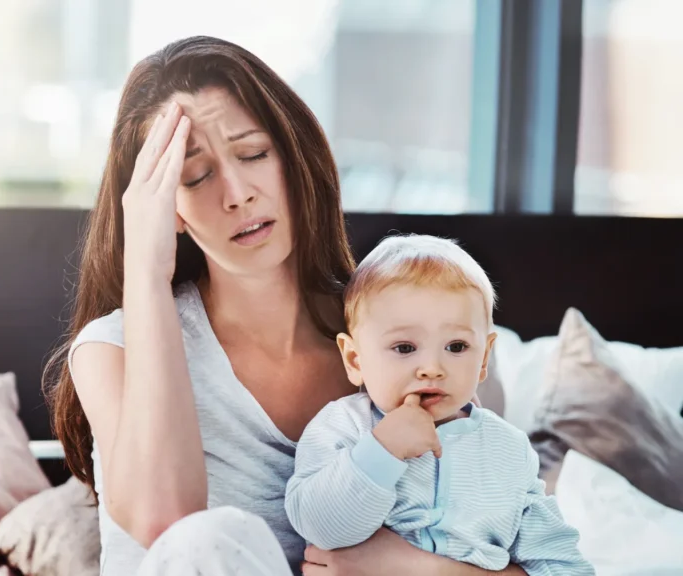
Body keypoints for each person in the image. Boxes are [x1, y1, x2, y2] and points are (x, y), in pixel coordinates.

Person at [44, 35, 533, 575]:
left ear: (293, 155)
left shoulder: (427, 347)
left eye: (253, 153)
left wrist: (410, 567)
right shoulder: (111, 349)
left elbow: (527, 551)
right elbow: (168, 525)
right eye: (196, 176)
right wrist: (146, 270)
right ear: (168, 209)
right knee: (207, 539)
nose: (237, 193)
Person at [285, 234, 594, 575]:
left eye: (457, 346)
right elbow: (320, 529)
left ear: (484, 358)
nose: (432, 367)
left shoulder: (508, 450)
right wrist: (382, 450)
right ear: (355, 359)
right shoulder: (343, 428)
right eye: (404, 348)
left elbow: (565, 568)